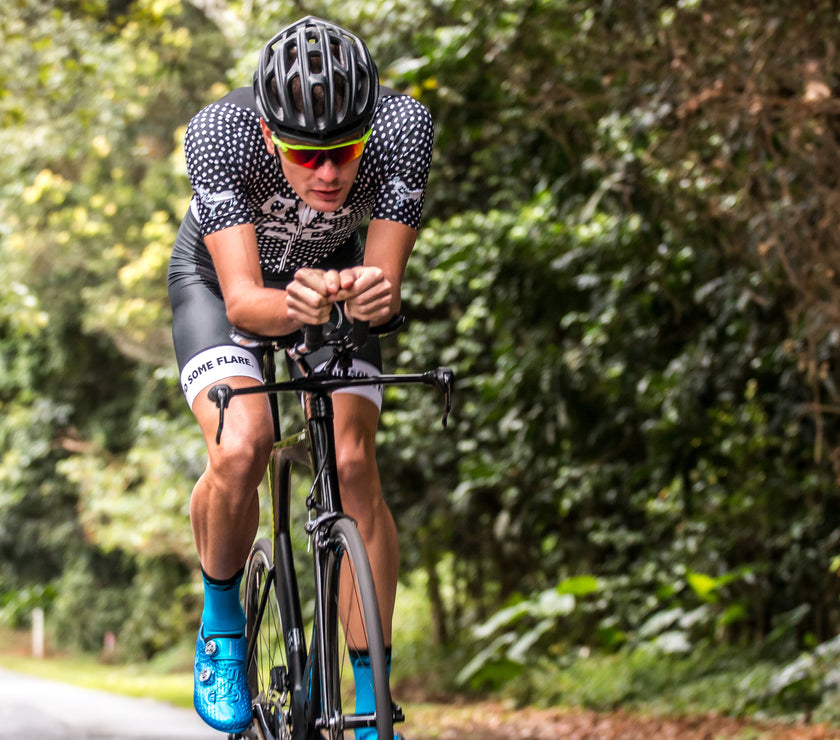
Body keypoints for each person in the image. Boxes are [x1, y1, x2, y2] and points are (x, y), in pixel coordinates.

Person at [166, 16, 434, 736]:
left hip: (334, 284)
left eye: (344, 152)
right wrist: (294, 303)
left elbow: (386, 285)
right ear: (267, 134)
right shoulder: (220, 134)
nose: (329, 174)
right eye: (306, 155)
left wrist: (375, 295)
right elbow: (244, 300)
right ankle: (223, 621)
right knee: (242, 446)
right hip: (223, 287)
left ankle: (372, 701)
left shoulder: (403, 128)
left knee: (353, 461)